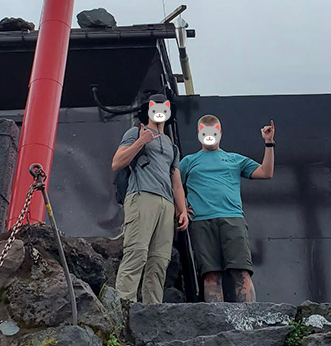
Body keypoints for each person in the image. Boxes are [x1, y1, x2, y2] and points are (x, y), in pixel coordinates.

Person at [178, 115, 275, 303]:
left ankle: (249, 316)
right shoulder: (188, 162)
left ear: (220, 132)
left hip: (232, 219)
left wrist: (269, 143)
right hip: (201, 222)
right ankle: (217, 318)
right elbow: (175, 186)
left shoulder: (234, 159)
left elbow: (266, 172)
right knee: (211, 275)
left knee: (241, 272)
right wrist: (181, 209)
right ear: (199, 133)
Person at [112, 94, 189, 304]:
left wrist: (182, 210)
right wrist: (141, 141)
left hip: (166, 203)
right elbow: (117, 162)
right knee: (136, 252)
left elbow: (176, 181)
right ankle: (124, 306)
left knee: (160, 260)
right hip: (142, 195)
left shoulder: (172, 146)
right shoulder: (135, 132)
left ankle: (153, 309)